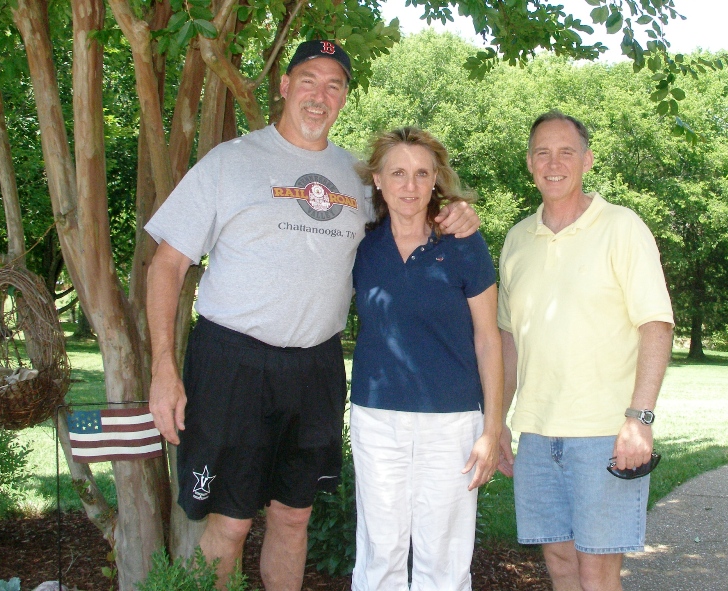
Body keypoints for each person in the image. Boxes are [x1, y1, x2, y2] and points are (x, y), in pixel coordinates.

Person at [144, 41, 479, 590]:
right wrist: (162, 366)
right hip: (233, 362)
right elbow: (166, 265)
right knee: (229, 522)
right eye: (308, 80)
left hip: (315, 368)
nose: (319, 95)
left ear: (344, 98)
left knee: (293, 516)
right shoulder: (231, 161)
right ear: (284, 86)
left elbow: (414, 208)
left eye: (334, 85)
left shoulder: (357, 177)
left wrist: (458, 211)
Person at [496, 111, 674, 591]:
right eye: (542, 153)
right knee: (560, 564)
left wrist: (640, 419)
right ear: (529, 162)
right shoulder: (517, 239)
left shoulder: (622, 226)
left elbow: (656, 325)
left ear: (587, 160)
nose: (553, 163)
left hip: (604, 434)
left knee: (597, 574)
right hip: (536, 435)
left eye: (566, 152)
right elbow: (509, 339)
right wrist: (499, 421)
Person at [349, 127, 503, 591]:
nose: (410, 185)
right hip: (376, 419)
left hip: (451, 422)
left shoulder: (462, 242)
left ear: (436, 179)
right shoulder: (360, 246)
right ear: (378, 180)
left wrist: (492, 430)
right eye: (397, 173)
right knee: (380, 553)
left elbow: (488, 339)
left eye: (421, 173)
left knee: (445, 558)